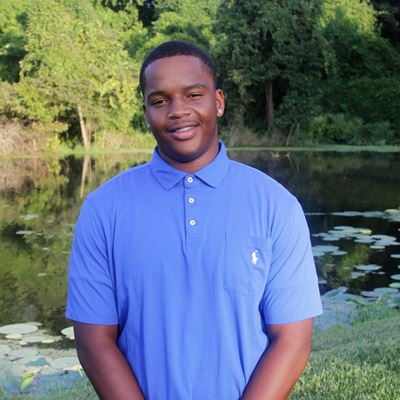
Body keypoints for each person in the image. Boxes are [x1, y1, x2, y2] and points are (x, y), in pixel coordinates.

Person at [66, 40, 323, 400]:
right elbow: (94, 341)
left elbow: (292, 340)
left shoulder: (276, 206)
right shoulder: (103, 210)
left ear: (218, 102)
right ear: (146, 112)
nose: (177, 111)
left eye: (193, 95)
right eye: (160, 100)